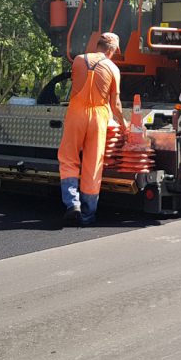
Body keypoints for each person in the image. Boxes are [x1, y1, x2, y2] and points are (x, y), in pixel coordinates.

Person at [57, 32, 127, 226]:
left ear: (98, 45)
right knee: (93, 164)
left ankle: (72, 204)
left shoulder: (78, 60)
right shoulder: (113, 68)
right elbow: (116, 105)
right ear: (111, 50)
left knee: (69, 158)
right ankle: (87, 215)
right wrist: (123, 123)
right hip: (98, 117)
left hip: (76, 114)